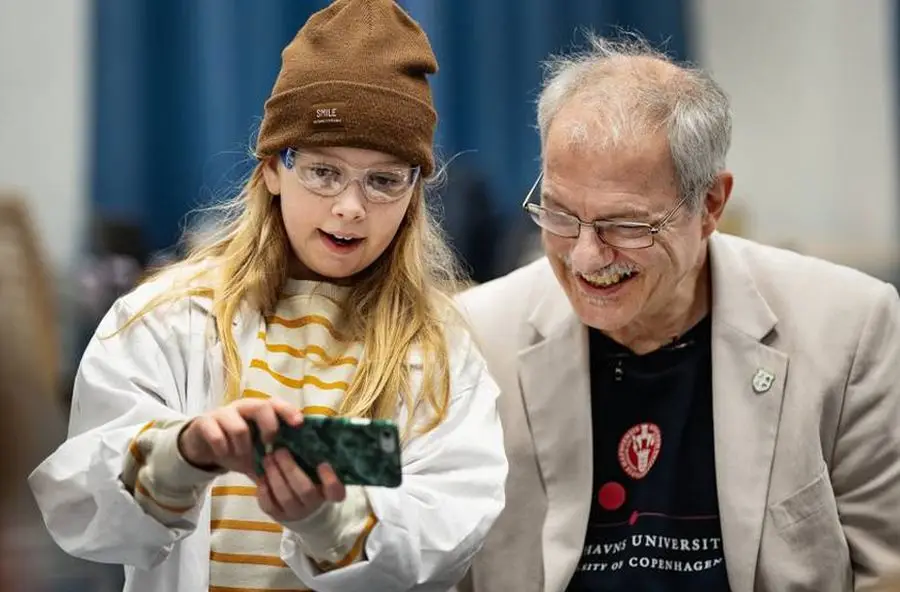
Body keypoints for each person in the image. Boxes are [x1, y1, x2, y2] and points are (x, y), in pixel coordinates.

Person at [28, 1, 507, 591]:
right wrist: (184, 455)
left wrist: (329, 521)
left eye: (384, 180)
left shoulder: (441, 353)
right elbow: (83, 511)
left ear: (415, 193)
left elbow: (448, 535)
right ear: (273, 168)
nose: (351, 207)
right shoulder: (168, 318)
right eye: (324, 172)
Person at [455, 33, 900, 592]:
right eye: (561, 215)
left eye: (626, 225)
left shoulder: (848, 327)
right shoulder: (478, 335)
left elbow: (886, 571)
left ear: (710, 205)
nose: (586, 258)